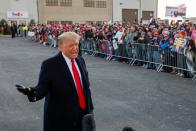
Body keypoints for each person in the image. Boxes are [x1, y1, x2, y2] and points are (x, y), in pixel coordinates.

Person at [17, 32, 94, 131]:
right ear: (60, 47)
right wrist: (33, 92)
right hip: (61, 120)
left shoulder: (80, 60)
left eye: (76, 44)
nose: (75, 48)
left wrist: (90, 110)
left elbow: (85, 88)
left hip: (83, 117)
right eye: (71, 45)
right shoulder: (50, 65)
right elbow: (43, 88)